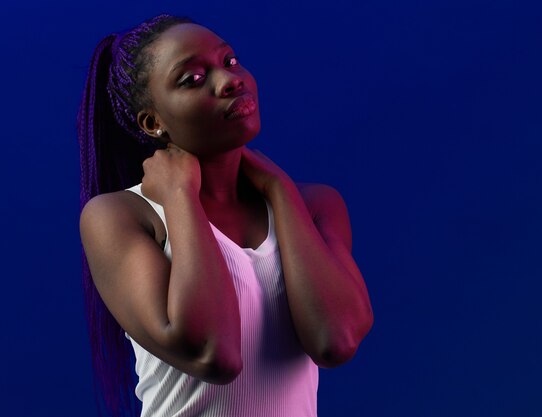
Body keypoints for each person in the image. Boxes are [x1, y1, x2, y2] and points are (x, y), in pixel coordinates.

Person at [77, 14, 373, 417]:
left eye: (229, 61)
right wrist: (180, 194)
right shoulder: (119, 217)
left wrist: (278, 189)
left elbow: (335, 341)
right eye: (193, 79)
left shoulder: (314, 205)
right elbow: (214, 353)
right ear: (153, 123)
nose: (229, 80)